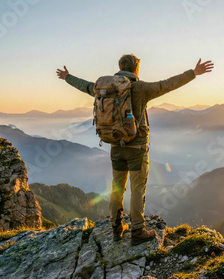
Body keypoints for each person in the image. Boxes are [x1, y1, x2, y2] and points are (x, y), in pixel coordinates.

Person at [56, 55, 213, 245]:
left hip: (115, 146)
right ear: (136, 69)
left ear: (120, 67)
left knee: (116, 189)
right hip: (137, 148)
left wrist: (67, 77)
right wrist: (193, 73)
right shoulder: (139, 88)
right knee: (137, 189)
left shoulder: (104, 88)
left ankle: (116, 228)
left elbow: (85, 85)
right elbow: (167, 85)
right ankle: (137, 231)